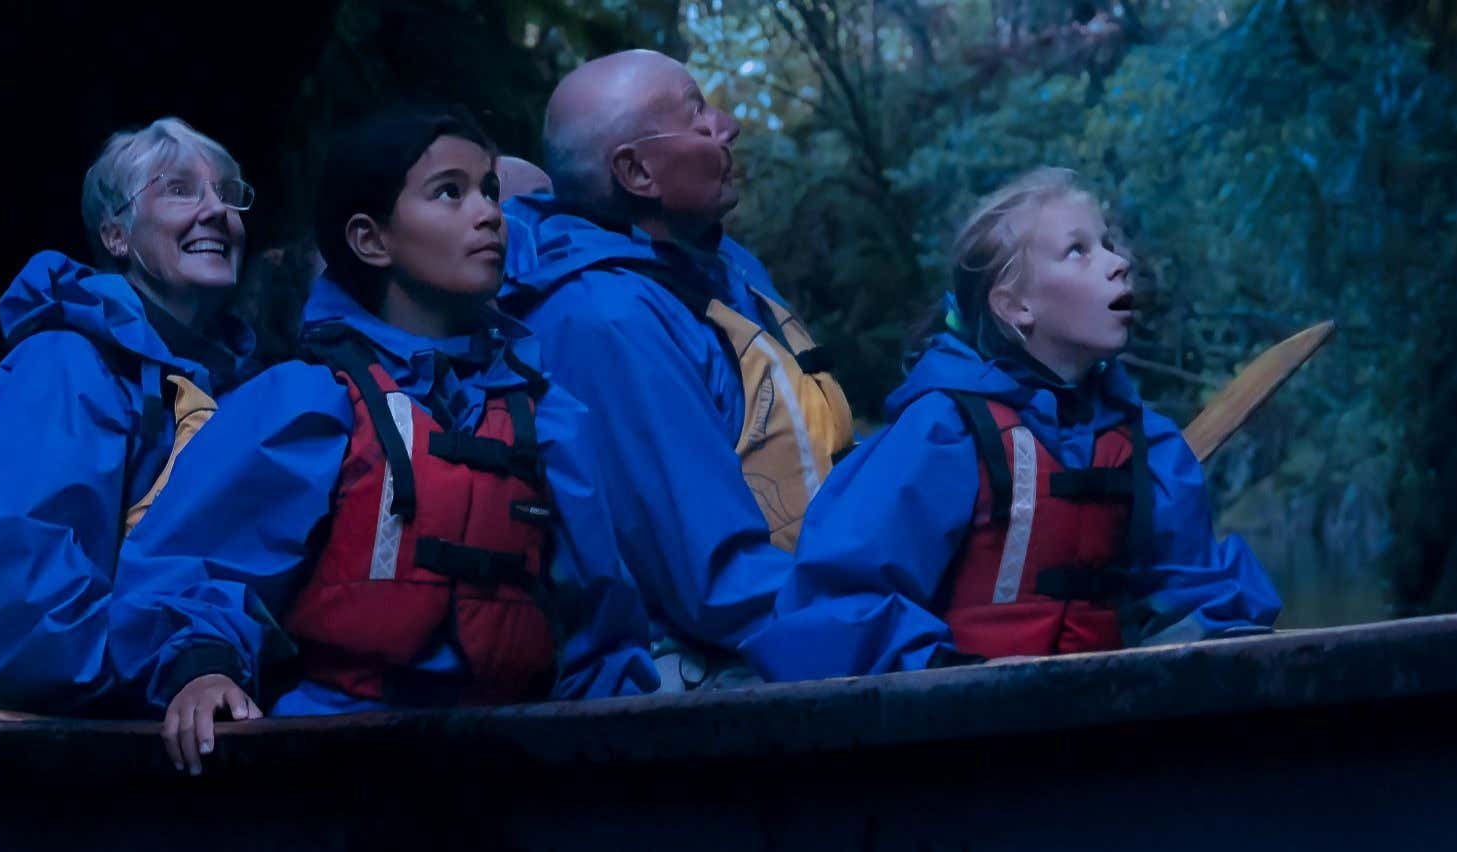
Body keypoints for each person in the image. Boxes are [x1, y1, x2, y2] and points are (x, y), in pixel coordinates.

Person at [124, 105, 661, 774]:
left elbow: (600, 630)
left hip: (515, 769)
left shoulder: (549, 416)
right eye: (450, 192)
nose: (490, 213)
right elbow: (195, 568)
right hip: (327, 764)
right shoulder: (305, 401)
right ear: (371, 240)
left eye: (490, 191)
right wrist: (202, 670)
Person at [787, 167, 1280, 674]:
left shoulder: (1150, 446)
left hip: (1110, 718)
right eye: (1078, 250)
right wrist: (939, 678)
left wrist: (1204, 636)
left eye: (1109, 245)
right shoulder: (941, 435)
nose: (1119, 264)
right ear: (1016, 305)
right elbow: (843, 604)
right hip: (964, 726)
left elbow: (1195, 592)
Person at [501, 50, 858, 689]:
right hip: (719, 670)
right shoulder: (605, 319)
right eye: (698, 115)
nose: (727, 126)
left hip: (807, 619)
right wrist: (884, 626)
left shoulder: (725, 269)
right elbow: (712, 581)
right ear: (636, 170)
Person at [0, 118, 260, 715]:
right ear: (117, 235)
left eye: (228, 192)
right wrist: (188, 661)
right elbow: (31, 615)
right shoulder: (63, 365)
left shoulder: (231, 386)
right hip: (65, 755)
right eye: (180, 189)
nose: (218, 210)